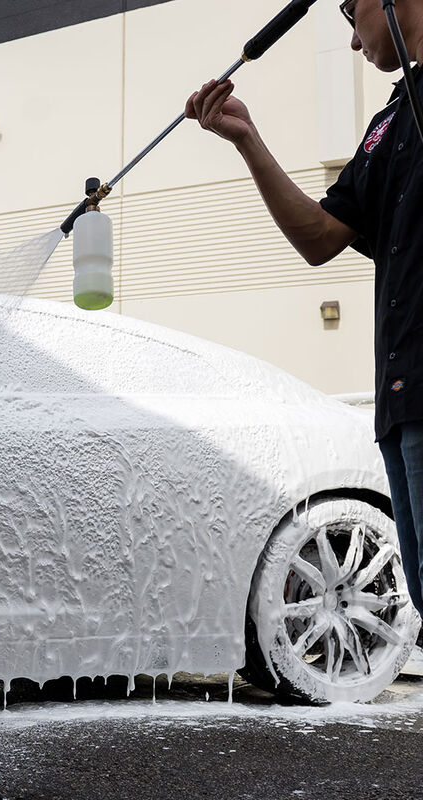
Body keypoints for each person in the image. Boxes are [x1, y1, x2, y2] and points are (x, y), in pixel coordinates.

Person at [186, 0, 423, 622]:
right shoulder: (391, 120)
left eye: (351, 13)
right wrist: (246, 139)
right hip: (402, 401)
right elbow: (319, 236)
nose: (351, 41)